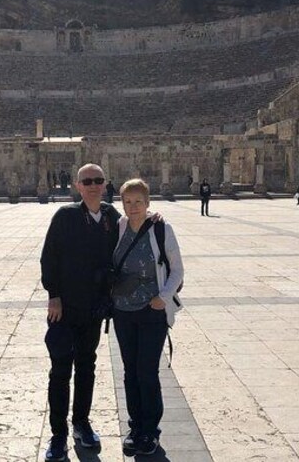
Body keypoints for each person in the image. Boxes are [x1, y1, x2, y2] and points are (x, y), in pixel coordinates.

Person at [40, 164, 120, 461]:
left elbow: (133, 230)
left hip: (94, 308)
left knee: (87, 366)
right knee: (60, 371)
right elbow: (49, 257)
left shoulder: (112, 217)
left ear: (105, 183)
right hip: (64, 308)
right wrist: (54, 296)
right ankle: (58, 434)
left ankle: (81, 423)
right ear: (77, 184)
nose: (93, 185)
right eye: (87, 181)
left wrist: (154, 219)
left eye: (98, 180)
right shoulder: (66, 216)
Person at [112, 179, 184, 457]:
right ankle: (135, 427)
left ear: (148, 202)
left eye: (138, 201)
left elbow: (177, 270)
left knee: (147, 372)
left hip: (151, 312)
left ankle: (150, 430)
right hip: (123, 311)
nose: (133, 207)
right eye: (128, 202)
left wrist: (162, 298)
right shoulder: (119, 225)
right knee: (130, 373)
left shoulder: (162, 229)